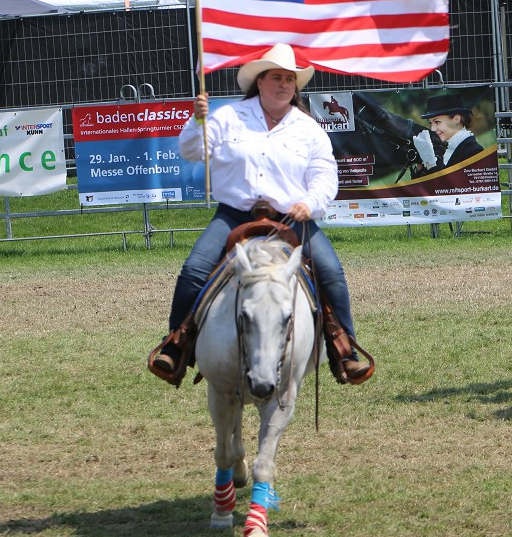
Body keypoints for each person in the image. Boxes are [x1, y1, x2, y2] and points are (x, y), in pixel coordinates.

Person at [149, 43, 372, 385]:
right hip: (235, 214)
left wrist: (309, 204)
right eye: (276, 77)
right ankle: (175, 345)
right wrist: (197, 119)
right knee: (194, 269)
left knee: (330, 271)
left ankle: (344, 351)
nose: (284, 84)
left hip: (292, 219)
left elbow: (325, 175)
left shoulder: (308, 127)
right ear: (260, 82)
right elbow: (192, 151)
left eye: (289, 79)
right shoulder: (227, 117)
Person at [411, 94, 484, 172]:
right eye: (431, 123)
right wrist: (420, 162)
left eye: (437, 122)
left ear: (456, 120)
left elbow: (444, 183)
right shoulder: (443, 150)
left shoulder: (473, 151)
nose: (432, 129)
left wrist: (429, 161)